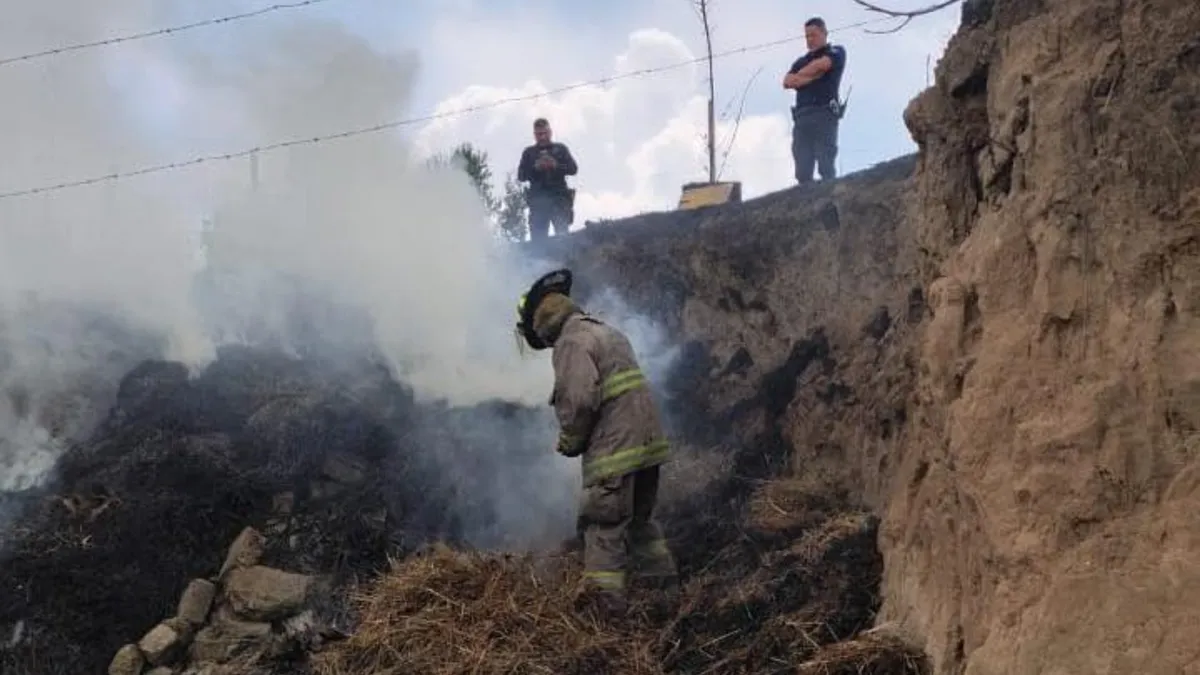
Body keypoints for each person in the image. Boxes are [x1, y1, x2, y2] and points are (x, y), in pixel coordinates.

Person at [514, 268, 679, 618]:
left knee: (602, 528)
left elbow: (579, 400)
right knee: (640, 522)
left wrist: (570, 440)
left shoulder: (570, 342)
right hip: (648, 446)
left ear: (542, 325)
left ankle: (605, 614)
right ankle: (664, 591)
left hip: (616, 452)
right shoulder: (607, 331)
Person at [783, 17, 847, 184]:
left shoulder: (837, 52)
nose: (810, 40)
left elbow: (823, 65)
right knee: (802, 171)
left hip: (824, 114)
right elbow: (788, 81)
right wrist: (813, 77)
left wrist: (802, 77)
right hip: (802, 117)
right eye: (807, 36)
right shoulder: (800, 61)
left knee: (826, 166)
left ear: (824, 33)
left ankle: (830, 202)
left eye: (814, 35)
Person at [517, 118, 578, 241]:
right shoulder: (529, 153)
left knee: (563, 238)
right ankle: (540, 261)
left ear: (550, 132)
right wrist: (535, 167)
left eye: (545, 133)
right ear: (535, 135)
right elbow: (521, 176)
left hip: (559, 201)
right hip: (538, 203)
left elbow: (573, 169)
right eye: (539, 134)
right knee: (538, 242)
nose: (543, 137)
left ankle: (564, 259)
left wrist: (556, 166)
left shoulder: (560, 149)